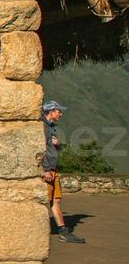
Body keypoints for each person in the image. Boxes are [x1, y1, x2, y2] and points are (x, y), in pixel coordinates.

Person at [43, 100, 85, 244]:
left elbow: (52, 148)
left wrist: (59, 144)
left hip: (53, 169)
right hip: (47, 170)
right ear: (51, 111)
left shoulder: (51, 127)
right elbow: (38, 149)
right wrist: (45, 169)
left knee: (56, 200)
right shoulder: (42, 127)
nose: (60, 113)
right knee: (43, 202)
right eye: (58, 111)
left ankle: (63, 231)